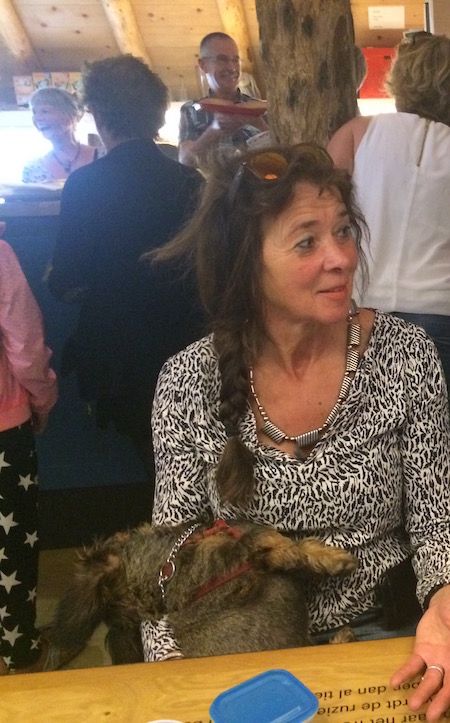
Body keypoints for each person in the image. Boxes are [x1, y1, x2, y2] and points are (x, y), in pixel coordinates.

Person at [146, 145, 450, 722]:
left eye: (344, 231)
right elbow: (172, 559)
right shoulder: (188, 382)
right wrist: (178, 683)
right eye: (307, 242)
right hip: (243, 647)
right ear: (245, 261)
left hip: (386, 636)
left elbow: (441, 522)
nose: (341, 258)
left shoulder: (402, 355)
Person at [327, 33, 450, 461]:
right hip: (447, 326)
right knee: (436, 471)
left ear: (402, 78)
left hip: (362, 318)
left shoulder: (354, 136)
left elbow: (323, 224)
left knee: (357, 466)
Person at [47, 55, 205, 479]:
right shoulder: (192, 182)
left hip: (116, 360)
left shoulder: (84, 184)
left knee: (153, 460)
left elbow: (65, 282)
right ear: (156, 112)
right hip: (187, 352)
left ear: (97, 114)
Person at [0, 222, 60, 674]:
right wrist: (42, 400)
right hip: (5, 429)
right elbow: (25, 347)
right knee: (12, 548)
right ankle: (19, 651)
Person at [178, 32, 270, 168]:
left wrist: (258, 123)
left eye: (235, 60)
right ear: (203, 65)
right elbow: (185, 161)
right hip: (212, 182)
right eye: (222, 60)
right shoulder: (191, 110)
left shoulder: (260, 109)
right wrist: (214, 130)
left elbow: (284, 153)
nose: (232, 68)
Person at [21, 88, 100, 184]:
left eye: (45, 111)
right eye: (34, 112)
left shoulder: (103, 157)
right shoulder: (32, 169)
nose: (37, 118)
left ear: (70, 116)